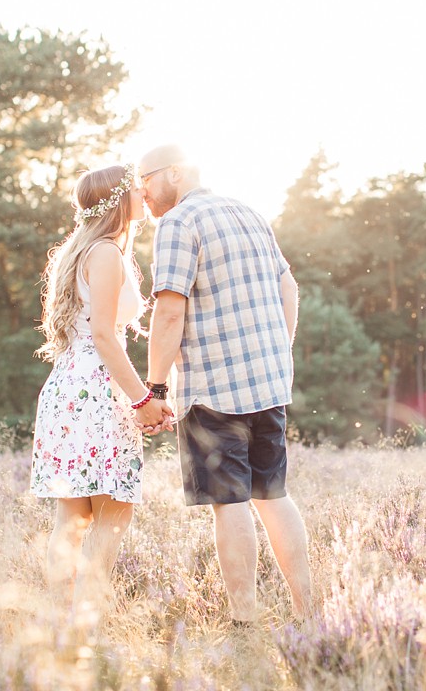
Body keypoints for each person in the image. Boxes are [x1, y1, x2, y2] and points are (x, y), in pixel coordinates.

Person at [139, 144, 314, 624]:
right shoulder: (249, 212)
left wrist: (154, 389)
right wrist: (282, 349)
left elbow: (170, 309)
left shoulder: (178, 222)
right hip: (268, 382)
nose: (143, 194)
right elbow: (288, 287)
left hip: (215, 387)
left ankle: (244, 621)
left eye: (146, 181)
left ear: (173, 173)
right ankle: (307, 613)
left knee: (229, 502)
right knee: (273, 496)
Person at [30, 164, 173, 612]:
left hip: (67, 389)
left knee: (72, 517)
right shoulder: (106, 253)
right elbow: (105, 337)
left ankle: (61, 622)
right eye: (135, 188)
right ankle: (86, 621)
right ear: (117, 200)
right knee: (112, 515)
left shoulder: (80, 250)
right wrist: (144, 399)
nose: (143, 192)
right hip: (97, 389)